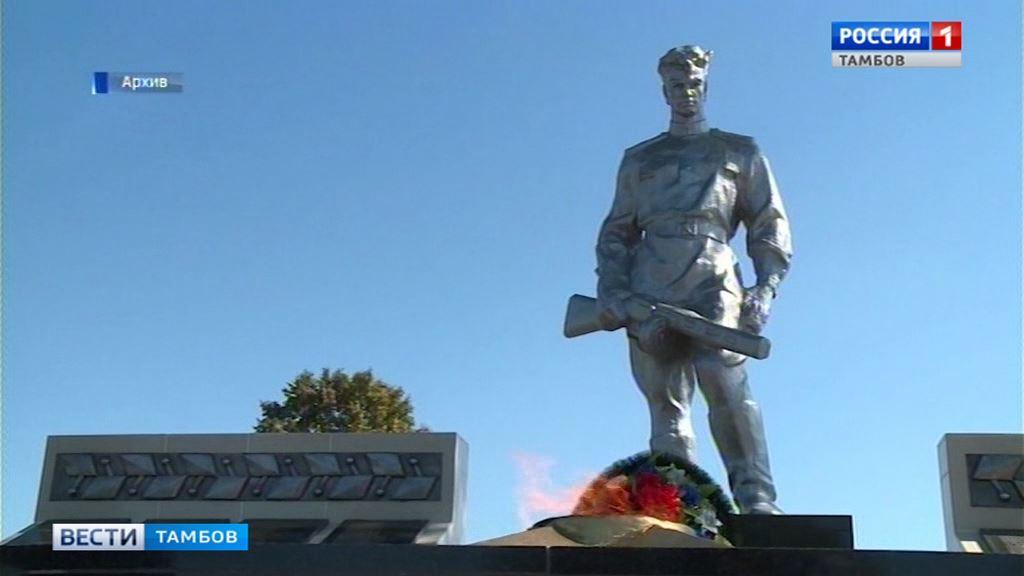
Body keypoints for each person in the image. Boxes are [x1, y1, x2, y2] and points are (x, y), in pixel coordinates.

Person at [594, 45, 792, 514]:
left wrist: (765, 288)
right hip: (650, 284)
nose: (686, 93)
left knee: (727, 389)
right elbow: (616, 232)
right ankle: (676, 506)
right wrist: (615, 293)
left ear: (707, 87)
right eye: (677, 85)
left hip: (715, 278)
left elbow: (769, 224)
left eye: (694, 84)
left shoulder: (739, 150)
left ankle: (756, 497)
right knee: (666, 404)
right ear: (664, 91)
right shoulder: (640, 158)